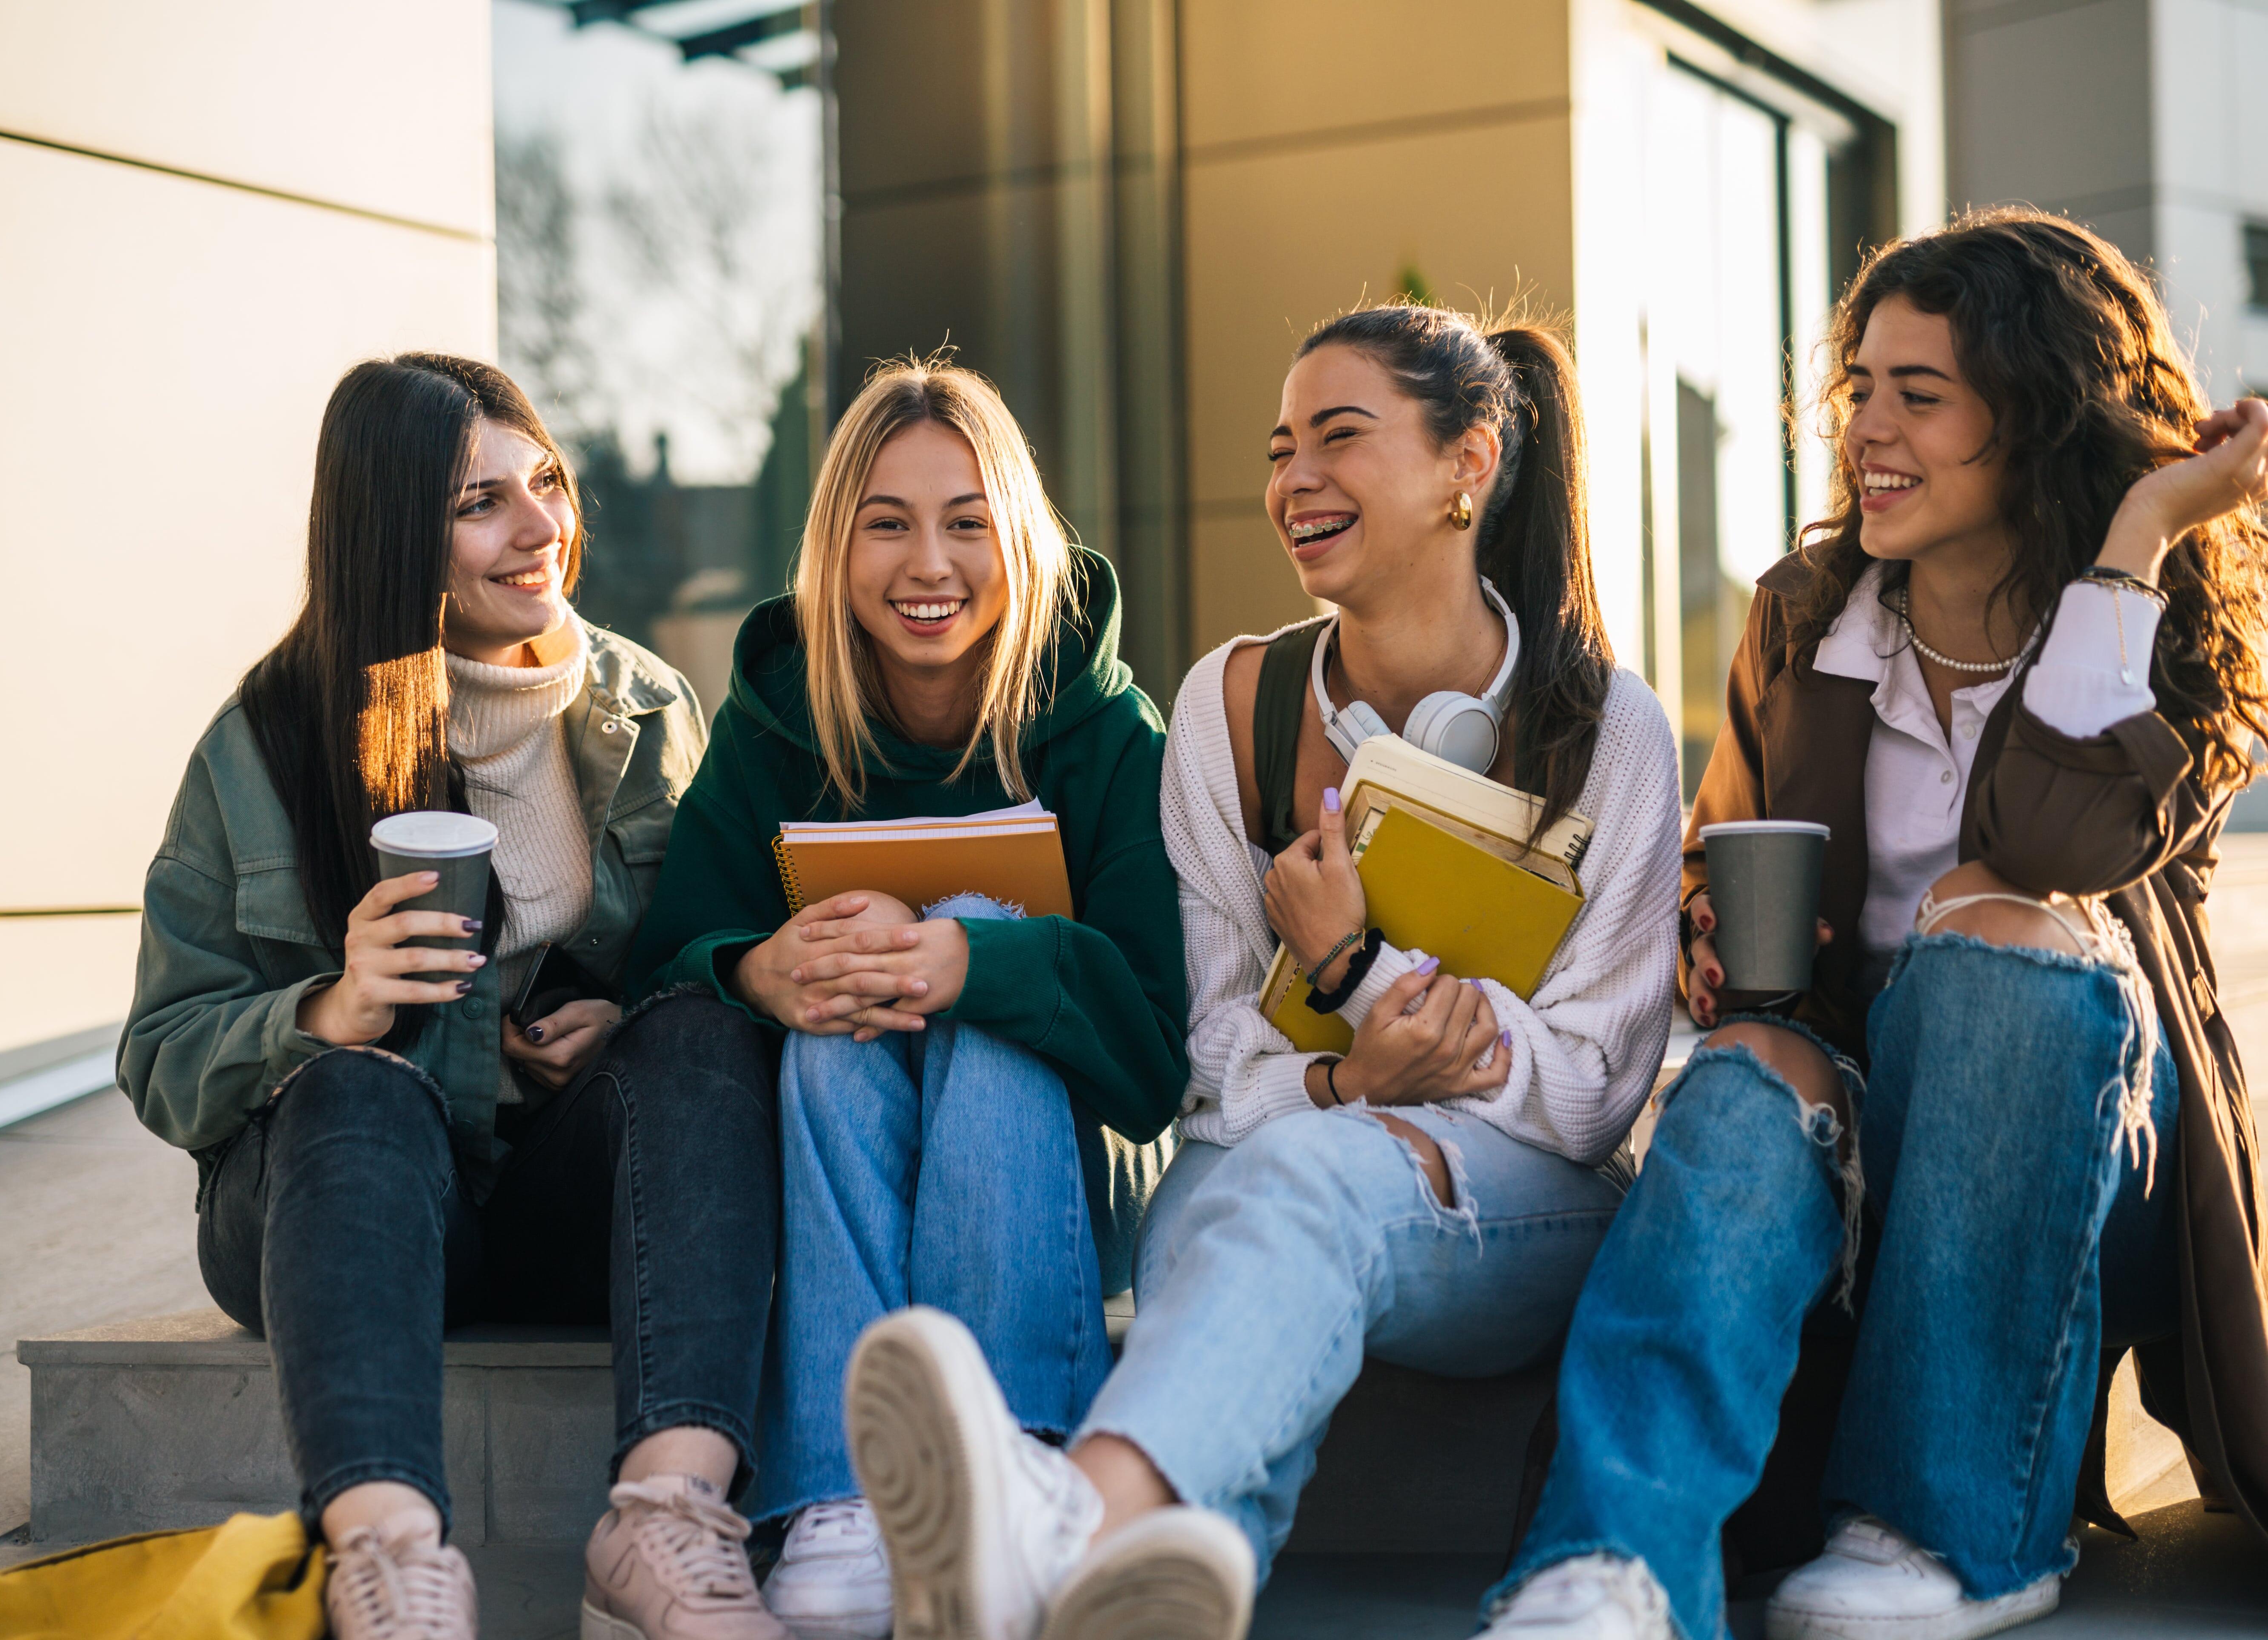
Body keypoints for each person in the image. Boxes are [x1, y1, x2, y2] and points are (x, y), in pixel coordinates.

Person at [831, 305, 1685, 1640]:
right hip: (1285, 1147)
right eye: (1281, 447)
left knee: (1295, 1179)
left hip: (1521, 1219)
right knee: (1213, 1219)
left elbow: (1592, 1096)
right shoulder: (1231, 710)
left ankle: (1068, 1519)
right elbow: (1206, 1065)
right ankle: (1151, 1584)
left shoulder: (1606, 729)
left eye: (1341, 437)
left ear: (1470, 463)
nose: (1295, 480)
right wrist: (1360, 1074)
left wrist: (1354, 971)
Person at [1480, 209, 2268, 1640]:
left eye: (1923, 395)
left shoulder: (2148, 623)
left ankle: (1950, 1533)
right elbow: (1723, 846)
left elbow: (2053, 848)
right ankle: (1607, 1563)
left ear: (2030, 420)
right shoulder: (1806, 619)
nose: (1870, 432)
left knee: (1993, 922)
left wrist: (2138, 532)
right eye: (1862, 392)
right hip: (1857, 1132)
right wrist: (1699, 931)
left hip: (2080, 1160)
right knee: (1741, 1078)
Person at [119, 354, 782, 1640]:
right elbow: (160, 1054)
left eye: (544, 482)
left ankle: (660, 1530)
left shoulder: (648, 710)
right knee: (358, 1088)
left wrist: (623, 1029)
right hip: (344, 1207)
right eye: (483, 503)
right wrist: (327, 1011)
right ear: (394, 535)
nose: (541, 527)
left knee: (702, 1032)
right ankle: (392, 1566)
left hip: (564, 1203)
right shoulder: (264, 742)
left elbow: (713, 947)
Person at [621, 357, 1189, 1640]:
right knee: (831, 1001)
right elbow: (665, 969)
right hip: (844, 1158)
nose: (927, 562)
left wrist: (978, 963)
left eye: (966, 522)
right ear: (836, 547)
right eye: (887, 524)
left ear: (1020, 538)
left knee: (985, 944)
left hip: (1051, 1183)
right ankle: (838, 1495)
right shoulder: (773, 730)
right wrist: (757, 968)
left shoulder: (1111, 736)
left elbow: (1159, 1056)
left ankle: (1024, 1449)